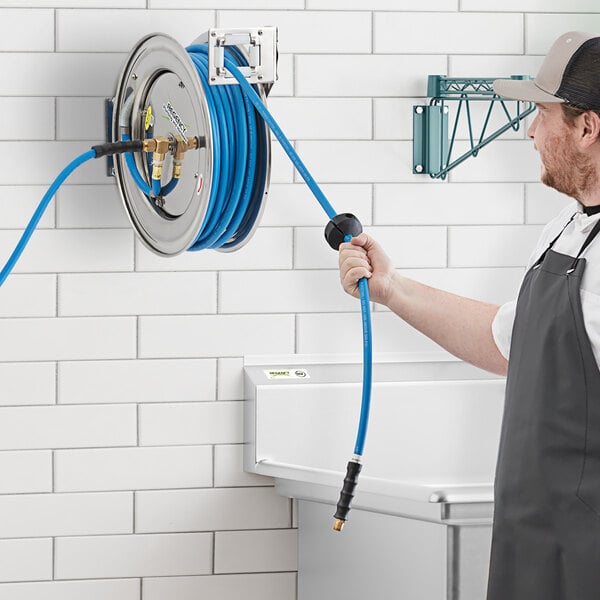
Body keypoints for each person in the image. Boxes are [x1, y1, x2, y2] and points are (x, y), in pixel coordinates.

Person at [338, 31, 600, 600]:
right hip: (530, 548)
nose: (529, 131)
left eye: (541, 113)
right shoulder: (567, 228)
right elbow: (509, 343)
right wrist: (393, 290)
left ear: (586, 128)